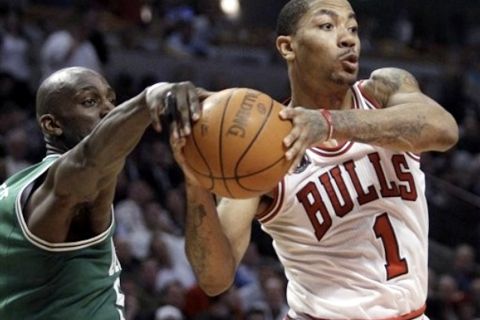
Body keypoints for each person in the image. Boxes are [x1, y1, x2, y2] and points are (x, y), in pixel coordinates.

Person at [170, 0, 459, 319]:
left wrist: (329, 123)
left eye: (352, 28)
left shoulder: (384, 91)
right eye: (327, 26)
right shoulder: (265, 148)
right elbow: (214, 279)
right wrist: (195, 179)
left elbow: (444, 129)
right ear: (287, 47)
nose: (347, 38)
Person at [0, 66, 201, 319]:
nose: (109, 109)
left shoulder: (10, 190)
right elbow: (90, 159)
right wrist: (149, 99)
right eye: (90, 101)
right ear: (52, 124)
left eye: (111, 100)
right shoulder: (71, 186)